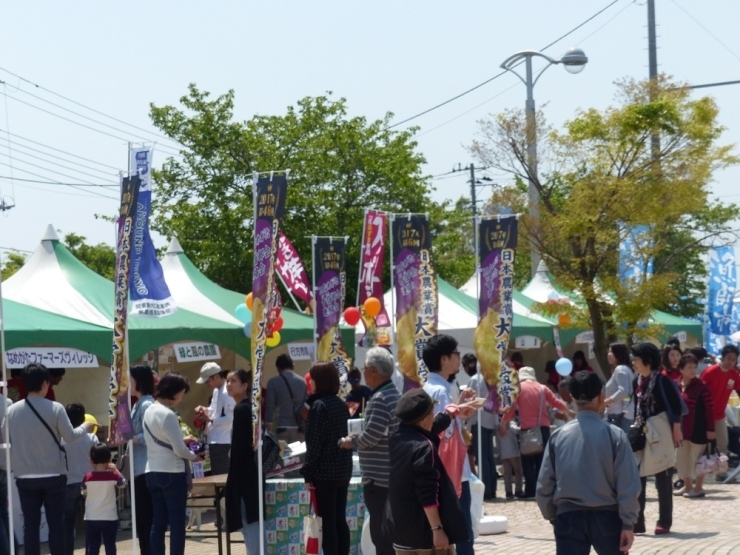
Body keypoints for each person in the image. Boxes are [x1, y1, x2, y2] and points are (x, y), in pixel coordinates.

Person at [537, 370, 641, 555]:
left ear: (572, 397)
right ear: (601, 397)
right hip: (607, 516)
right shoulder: (615, 435)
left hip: (568, 515)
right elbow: (628, 484)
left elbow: (545, 485)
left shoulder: (558, 436)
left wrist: (553, 516)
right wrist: (628, 522)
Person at [6, 363, 93, 555]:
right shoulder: (56, 408)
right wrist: (85, 427)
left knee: (30, 525)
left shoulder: (11, 410)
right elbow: (70, 436)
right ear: (45, 383)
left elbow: (4, 439)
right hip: (54, 474)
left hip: (25, 476)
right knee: (56, 524)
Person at [384, 388, 468, 554]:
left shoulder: (398, 437)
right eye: (432, 412)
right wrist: (437, 530)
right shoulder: (424, 447)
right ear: (424, 419)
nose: (434, 415)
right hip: (424, 533)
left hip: (400, 530)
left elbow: (428, 428)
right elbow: (427, 493)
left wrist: (451, 413)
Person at [338, 347, 400, 555]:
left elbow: (372, 435)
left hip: (378, 477)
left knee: (381, 535)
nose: (363, 373)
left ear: (373, 371)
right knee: (389, 532)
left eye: (365, 368)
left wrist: (351, 442)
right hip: (390, 473)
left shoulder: (381, 398)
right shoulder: (393, 394)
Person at [422, 335, 476, 555]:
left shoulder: (432, 387)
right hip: (453, 474)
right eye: (455, 354)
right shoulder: (441, 391)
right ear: (444, 359)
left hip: (443, 472)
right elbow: (447, 433)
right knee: (463, 535)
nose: (459, 358)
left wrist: (460, 410)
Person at [144, 373, 201, 555]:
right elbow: (179, 450)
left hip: (152, 470)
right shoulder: (168, 414)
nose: (181, 397)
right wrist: (195, 457)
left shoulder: (149, 410)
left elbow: (161, 439)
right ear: (173, 392)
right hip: (171, 472)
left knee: (158, 522)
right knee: (177, 523)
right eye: (182, 393)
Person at [631, 342, 683, 535]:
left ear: (648, 360)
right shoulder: (636, 381)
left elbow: (677, 406)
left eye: (636, 359)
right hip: (642, 431)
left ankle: (664, 521)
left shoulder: (662, 381)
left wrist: (676, 430)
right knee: (637, 477)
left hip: (662, 433)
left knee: (663, 477)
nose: (634, 362)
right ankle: (638, 521)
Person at [301, 363, 353, 555]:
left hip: (324, 472)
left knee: (327, 522)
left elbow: (314, 443)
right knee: (339, 518)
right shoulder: (341, 405)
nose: (310, 382)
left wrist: (307, 472)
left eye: (312, 378)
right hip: (342, 470)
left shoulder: (319, 406)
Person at [500, 366, 572, 498]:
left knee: (527, 462)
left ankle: (530, 491)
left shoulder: (519, 389)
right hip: (543, 428)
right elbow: (556, 402)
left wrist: (504, 424)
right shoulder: (543, 388)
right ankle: (543, 491)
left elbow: (510, 409)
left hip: (527, 430)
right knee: (543, 462)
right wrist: (569, 412)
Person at [224, 369, 262, 554]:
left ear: (245, 385)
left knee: (250, 523)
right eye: (227, 381)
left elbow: (239, 448)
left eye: (233, 381)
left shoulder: (241, 409)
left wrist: (233, 478)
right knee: (253, 522)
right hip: (253, 472)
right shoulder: (250, 408)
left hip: (244, 476)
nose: (229, 384)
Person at [674, 354, 715, 498]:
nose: (693, 370)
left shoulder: (701, 387)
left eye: (694, 367)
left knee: (697, 460)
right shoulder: (676, 385)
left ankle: (698, 488)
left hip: (698, 428)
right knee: (682, 458)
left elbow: (710, 409)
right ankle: (687, 486)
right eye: (689, 367)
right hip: (680, 430)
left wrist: (711, 429)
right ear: (681, 369)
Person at [62, 403, 100, 555]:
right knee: (90, 523)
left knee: (67, 524)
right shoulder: (92, 438)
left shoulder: (62, 439)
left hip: (68, 483)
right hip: (89, 483)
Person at [700, 344, 740, 479]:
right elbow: (699, 392)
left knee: (723, 443)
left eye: (734, 359)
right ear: (722, 357)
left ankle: (720, 471)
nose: (731, 361)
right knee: (700, 444)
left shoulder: (734, 374)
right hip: (703, 415)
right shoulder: (710, 372)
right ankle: (696, 472)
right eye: (729, 358)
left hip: (720, 415)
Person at [463, 353, 498, 500]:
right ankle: (492, 488)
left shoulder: (475, 379)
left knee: (482, 457)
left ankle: (486, 490)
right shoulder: (488, 377)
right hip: (489, 420)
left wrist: (467, 424)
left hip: (479, 421)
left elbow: (471, 403)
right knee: (489, 457)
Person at [129, 365, 156, 555]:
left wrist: (129, 437)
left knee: (147, 519)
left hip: (146, 469)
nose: (128, 384)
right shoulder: (136, 404)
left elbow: (151, 435)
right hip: (137, 468)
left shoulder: (146, 404)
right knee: (141, 521)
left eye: (130, 379)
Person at [81, 444, 126, 555]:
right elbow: (123, 484)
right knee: (110, 546)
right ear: (109, 459)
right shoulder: (112, 476)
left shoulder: (87, 477)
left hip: (91, 517)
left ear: (91, 460)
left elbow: (83, 492)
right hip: (109, 517)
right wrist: (116, 470)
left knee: (93, 547)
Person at [194, 362, 235, 476]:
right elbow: (214, 410)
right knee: (218, 474)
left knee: (222, 476)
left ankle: (225, 494)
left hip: (223, 441)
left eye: (208, 381)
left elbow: (231, 418)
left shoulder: (227, 393)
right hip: (215, 439)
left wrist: (211, 420)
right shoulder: (217, 390)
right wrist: (204, 409)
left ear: (217, 376)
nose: (207, 384)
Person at [265, 354, 307, 443]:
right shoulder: (303, 382)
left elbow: (270, 406)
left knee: (283, 456)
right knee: (298, 457)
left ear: (278, 368)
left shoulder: (273, 382)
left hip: (281, 427)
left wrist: (269, 430)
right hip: (299, 428)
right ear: (293, 366)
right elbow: (305, 405)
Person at [605, 343, 635, 433]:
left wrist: (606, 401)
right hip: (624, 414)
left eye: (612, 352)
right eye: (608, 352)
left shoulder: (620, 369)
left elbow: (623, 391)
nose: (609, 355)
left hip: (618, 415)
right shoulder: (626, 369)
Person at [498, 417, 523, 500]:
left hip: (504, 454)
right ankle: (518, 490)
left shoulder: (499, 426)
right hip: (513, 452)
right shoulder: (511, 423)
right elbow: (517, 430)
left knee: (507, 474)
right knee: (518, 472)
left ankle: (508, 492)